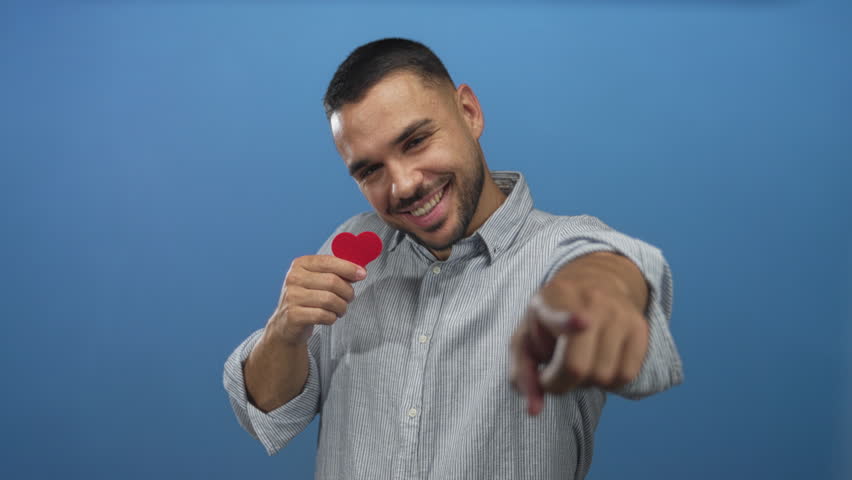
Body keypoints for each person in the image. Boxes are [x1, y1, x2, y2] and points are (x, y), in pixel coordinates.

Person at [223, 38, 682, 479]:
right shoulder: (353, 245)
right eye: (370, 170)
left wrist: (607, 289)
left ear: (469, 112)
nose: (402, 185)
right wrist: (284, 332)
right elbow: (266, 410)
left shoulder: (566, 248)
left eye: (416, 141)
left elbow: (614, 270)